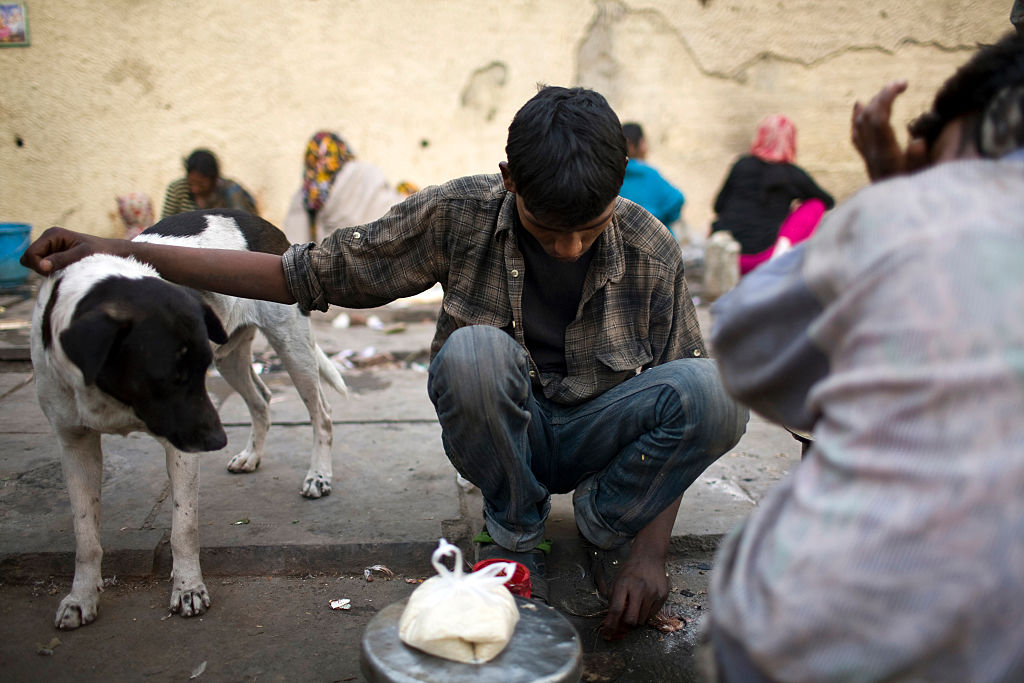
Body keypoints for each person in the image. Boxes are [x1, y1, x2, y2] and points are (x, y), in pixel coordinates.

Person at [21, 85, 748, 639]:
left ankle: (602, 517)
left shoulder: (649, 244)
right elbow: (305, 271)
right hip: (507, 436)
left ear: (621, 185)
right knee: (473, 354)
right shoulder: (458, 213)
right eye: (546, 230)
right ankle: (513, 528)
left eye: (587, 231)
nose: (566, 248)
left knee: (717, 390)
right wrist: (115, 249)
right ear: (509, 180)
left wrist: (652, 550)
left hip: (594, 437)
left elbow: (677, 392)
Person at [704, 32, 1024, 681]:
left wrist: (890, 192)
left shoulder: (911, 207)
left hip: (816, 641)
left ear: (981, 127)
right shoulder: (802, 179)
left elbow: (743, 352)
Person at [710, 114, 834, 275]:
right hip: (760, 258)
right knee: (815, 204)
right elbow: (828, 201)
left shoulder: (741, 164)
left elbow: (718, 206)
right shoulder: (793, 175)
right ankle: (782, 256)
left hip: (725, 255)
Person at [281, 131, 405, 243]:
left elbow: (293, 242)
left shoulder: (306, 193)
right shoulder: (363, 173)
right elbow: (393, 210)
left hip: (331, 260)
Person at [618, 122, 686, 234]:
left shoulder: (611, 174)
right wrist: (657, 216)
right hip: (655, 238)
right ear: (639, 144)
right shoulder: (648, 173)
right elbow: (677, 199)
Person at [161, 148, 258, 219]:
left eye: (200, 184)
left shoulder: (231, 191)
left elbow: (246, 224)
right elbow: (164, 225)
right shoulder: (177, 189)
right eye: (191, 183)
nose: (195, 189)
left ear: (214, 179)